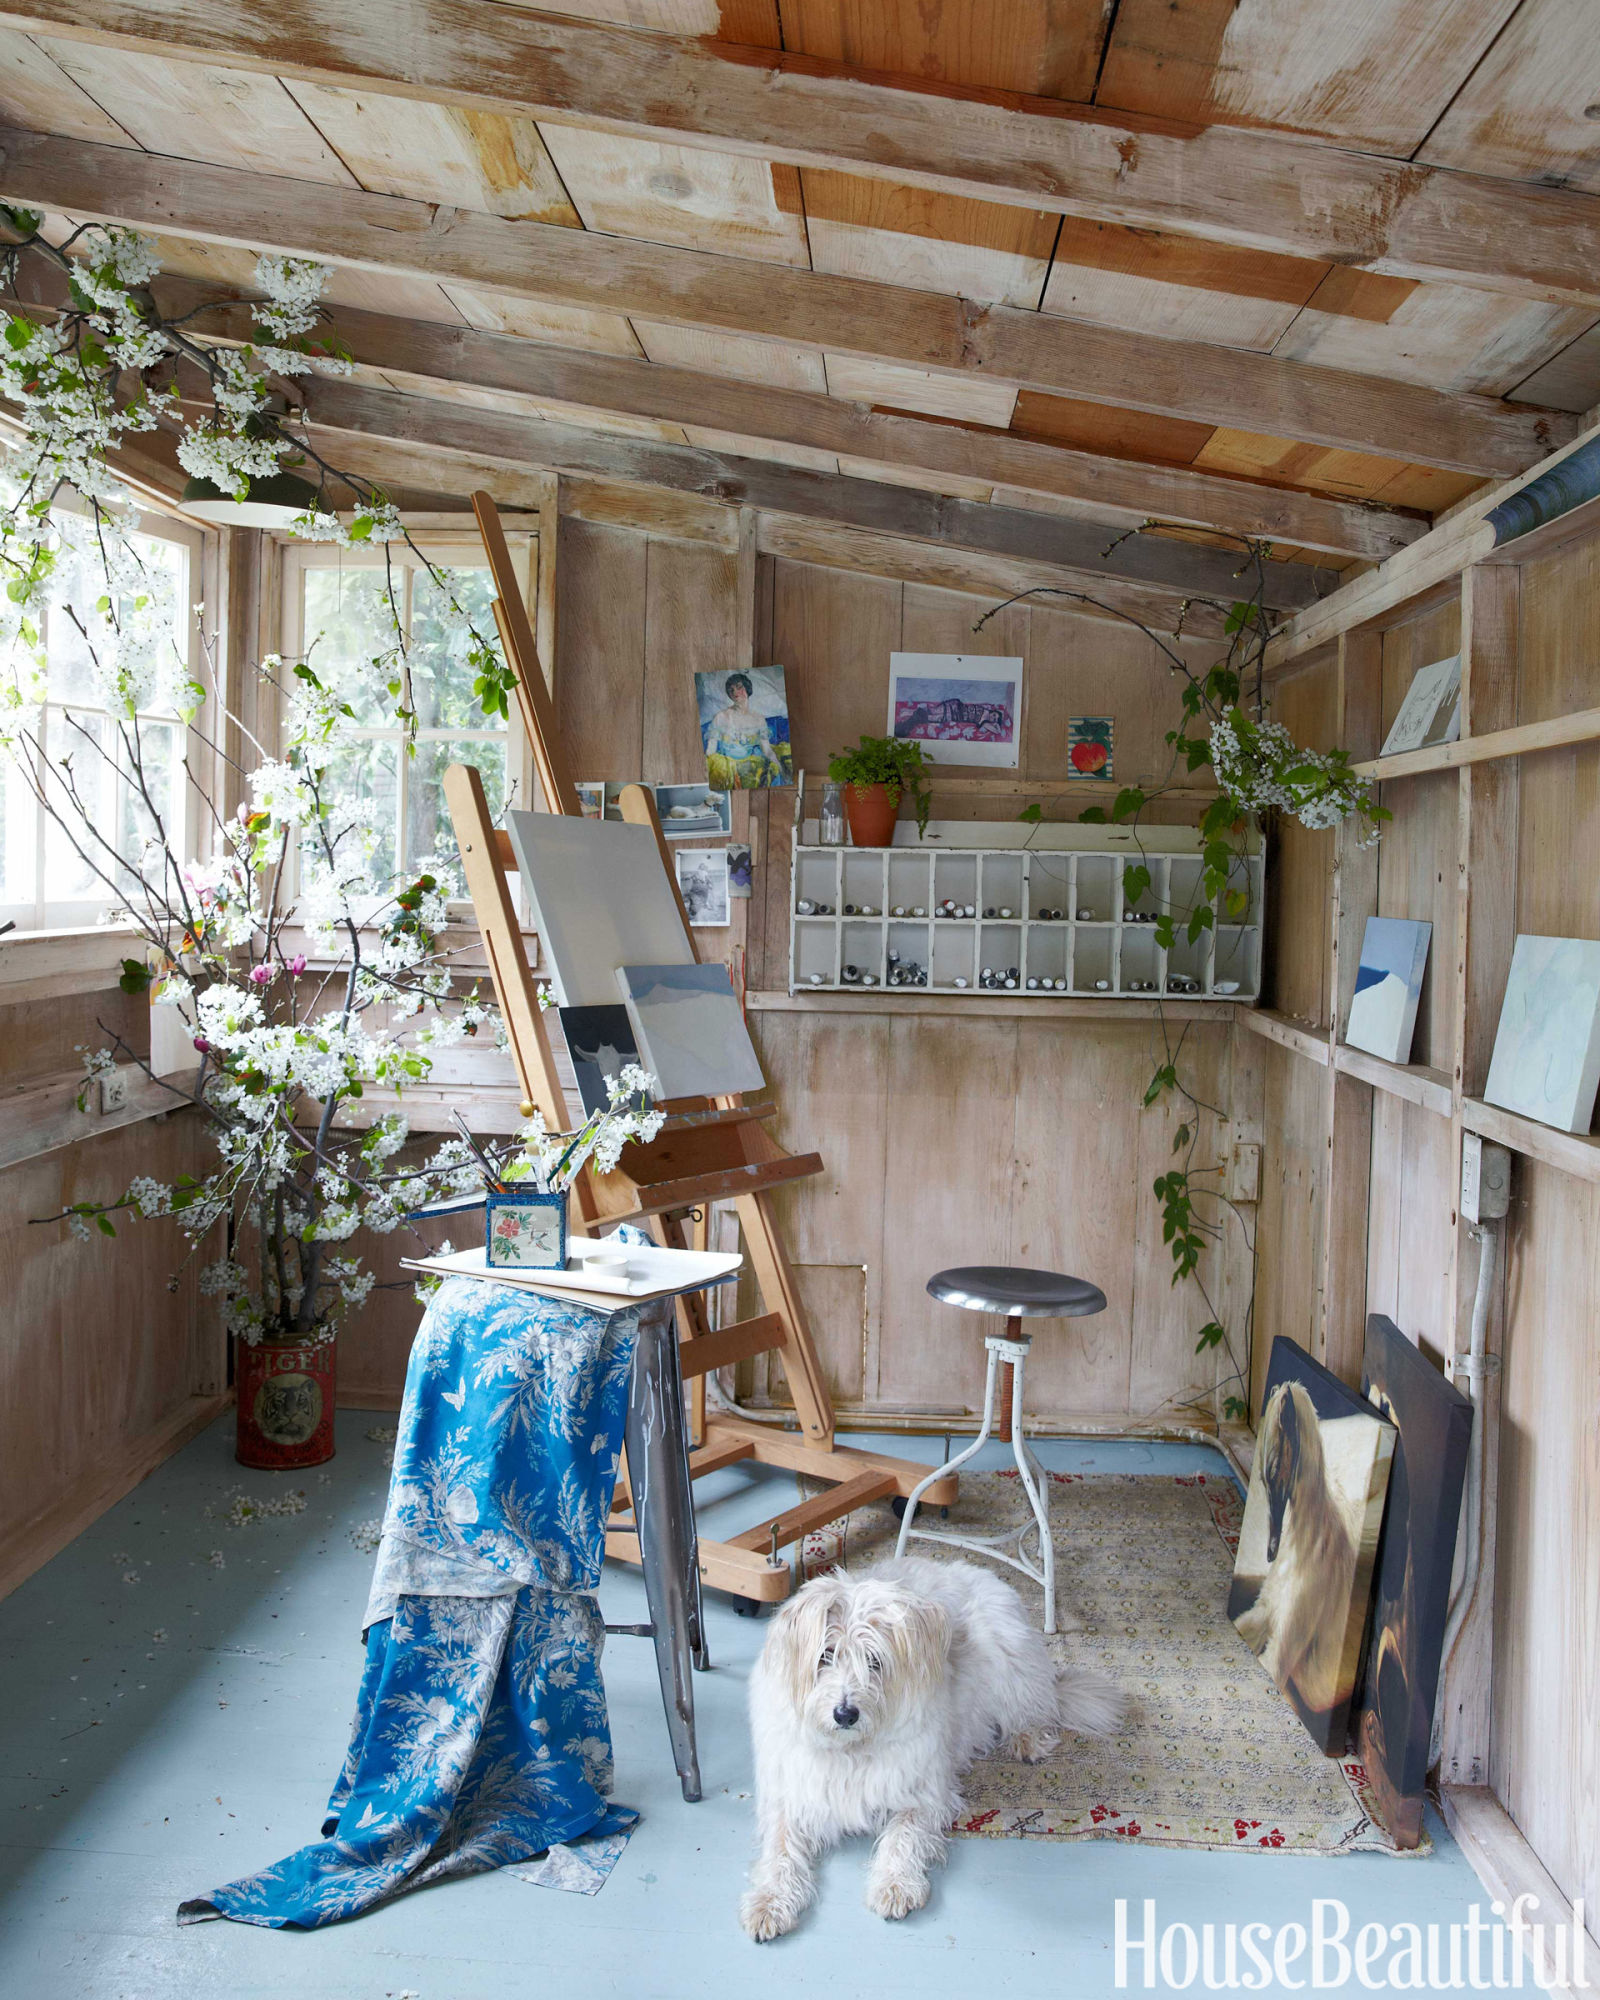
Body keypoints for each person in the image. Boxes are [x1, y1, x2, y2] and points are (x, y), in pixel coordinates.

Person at [703, 672, 790, 788]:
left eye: (739, 687)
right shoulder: (721, 717)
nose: (735, 692)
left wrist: (780, 768)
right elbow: (711, 750)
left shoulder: (759, 719)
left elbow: (767, 750)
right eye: (731, 690)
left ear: (747, 688)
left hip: (750, 765)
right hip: (727, 766)